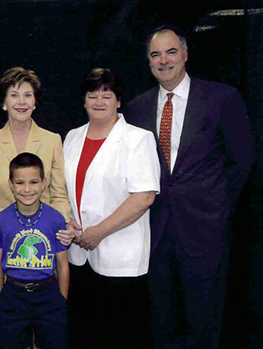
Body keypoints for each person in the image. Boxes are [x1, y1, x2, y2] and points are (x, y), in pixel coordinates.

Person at [125, 25, 254, 349]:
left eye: (170, 52)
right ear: (148, 61)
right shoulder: (137, 107)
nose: (163, 60)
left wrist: (218, 203)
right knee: (162, 317)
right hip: (155, 229)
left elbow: (243, 159)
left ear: (185, 55)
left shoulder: (222, 97)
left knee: (204, 316)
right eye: (156, 54)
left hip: (206, 227)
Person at [63, 68, 160, 349]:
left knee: (120, 335)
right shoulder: (72, 137)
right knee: (84, 332)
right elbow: (62, 190)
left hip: (120, 256)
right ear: (83, 101)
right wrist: (67, 220)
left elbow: (144, 196)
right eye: (92, 95)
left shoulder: (137, 139)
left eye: (107, 95)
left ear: (119, 101)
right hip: (79, 254)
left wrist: (99, 232)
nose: (99, 101)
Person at [0, 67, 73, 270]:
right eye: (14, 95)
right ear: (4, 102)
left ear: (35, 102)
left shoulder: (52, 140)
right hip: (2, 240)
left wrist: (59, 225)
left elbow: (59, 195)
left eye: (28, 95)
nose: (21, 102)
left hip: (43, 243)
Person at [0, 152, 69, 349]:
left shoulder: (56, 219)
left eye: (34, 182)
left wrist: (61, 299)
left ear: (44, 183)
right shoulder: (1, 220)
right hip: (13, 294)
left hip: (48, 293)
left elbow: (62, 264)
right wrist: (0, 297)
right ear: (10, 184)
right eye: (20, 183)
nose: (27, 189)